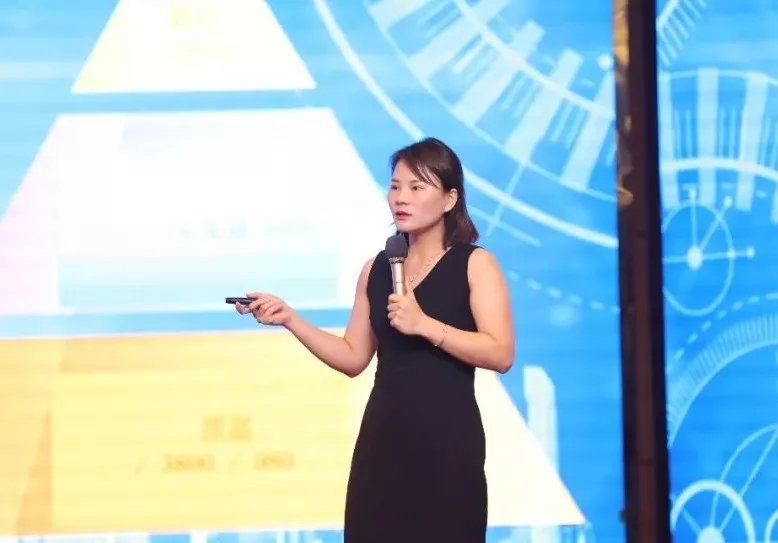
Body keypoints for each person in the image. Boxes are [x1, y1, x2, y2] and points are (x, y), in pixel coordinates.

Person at [236, 137, 515, 542]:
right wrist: (290, 319)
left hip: (447, 442)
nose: (401, 198)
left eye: (416, 187)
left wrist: (426, 326)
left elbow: (500, 353)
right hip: (383, 440)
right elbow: (353, 357)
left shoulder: (475, 264)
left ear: (450, 199)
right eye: (395, 186)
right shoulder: (378, 268)